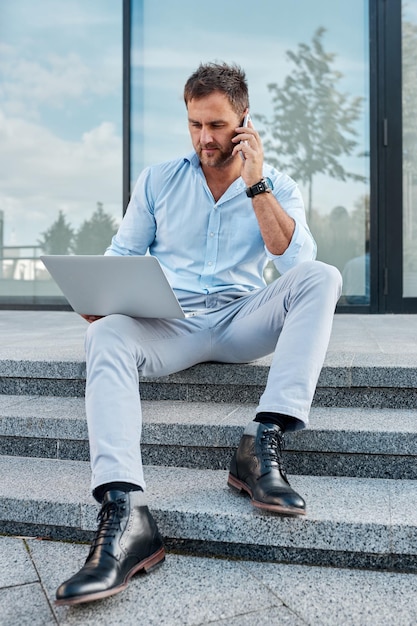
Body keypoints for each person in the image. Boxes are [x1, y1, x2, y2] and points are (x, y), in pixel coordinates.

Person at [56, 62, 342, 606]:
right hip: (173, 322)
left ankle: (261, 444)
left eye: (216, 125)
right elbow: (122, 257)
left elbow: (295, 262)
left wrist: (255, 183)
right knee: (106, 337)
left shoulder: (275, 184)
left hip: (241, 320)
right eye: (194, 125)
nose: (205, 138)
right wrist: (100, 302)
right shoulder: (159, 179)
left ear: (244, 121)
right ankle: (125, 514)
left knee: (322, 277)